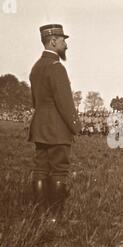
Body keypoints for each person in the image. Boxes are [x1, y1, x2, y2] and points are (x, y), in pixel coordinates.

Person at [28, 24, 81, 220]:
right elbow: (65, 102)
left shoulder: (36, 67)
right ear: (53, 41)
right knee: (59, 169)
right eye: (63, 40)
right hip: (57, 128)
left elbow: (35, 101)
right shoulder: (56, 67)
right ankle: (55, 218)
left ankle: (40, 214)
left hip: (40, 127)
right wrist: (76, 126)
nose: (65, 45)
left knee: (41, 168)